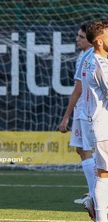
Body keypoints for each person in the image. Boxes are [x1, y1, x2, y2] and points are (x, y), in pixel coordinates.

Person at [59, 22, 96, 204]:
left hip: (86, 111)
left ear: (91, 39)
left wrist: (66, 116)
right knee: (81, 149)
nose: (77, 39)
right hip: (83, 110)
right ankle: (94, 192)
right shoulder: (84, 55)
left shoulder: (90, 57)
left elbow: (78, 90)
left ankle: (94, 194)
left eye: (81, 36)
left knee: (89, 151)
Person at [81, 19, 108, 222]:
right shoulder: (101, 64)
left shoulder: (90, 59)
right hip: (105, 126)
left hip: (98, 125)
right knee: (103, 174)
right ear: (99, 41)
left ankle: (100, 217)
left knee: (103, 174)